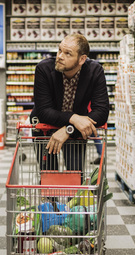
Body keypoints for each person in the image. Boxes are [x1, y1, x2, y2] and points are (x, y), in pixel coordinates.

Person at [30, 33, 109, 172]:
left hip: (75, 132)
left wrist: (68, 130)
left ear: (82, 59)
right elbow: (44, 111)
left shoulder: (95, 71)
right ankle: (50, 195)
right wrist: (74, 118)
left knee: (75, 178)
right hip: (44, 129)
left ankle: (72, 194)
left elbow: (101, 113)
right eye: (60, 50)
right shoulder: (44, 69)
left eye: (68, 53)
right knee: (49, 178)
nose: (60, 56)